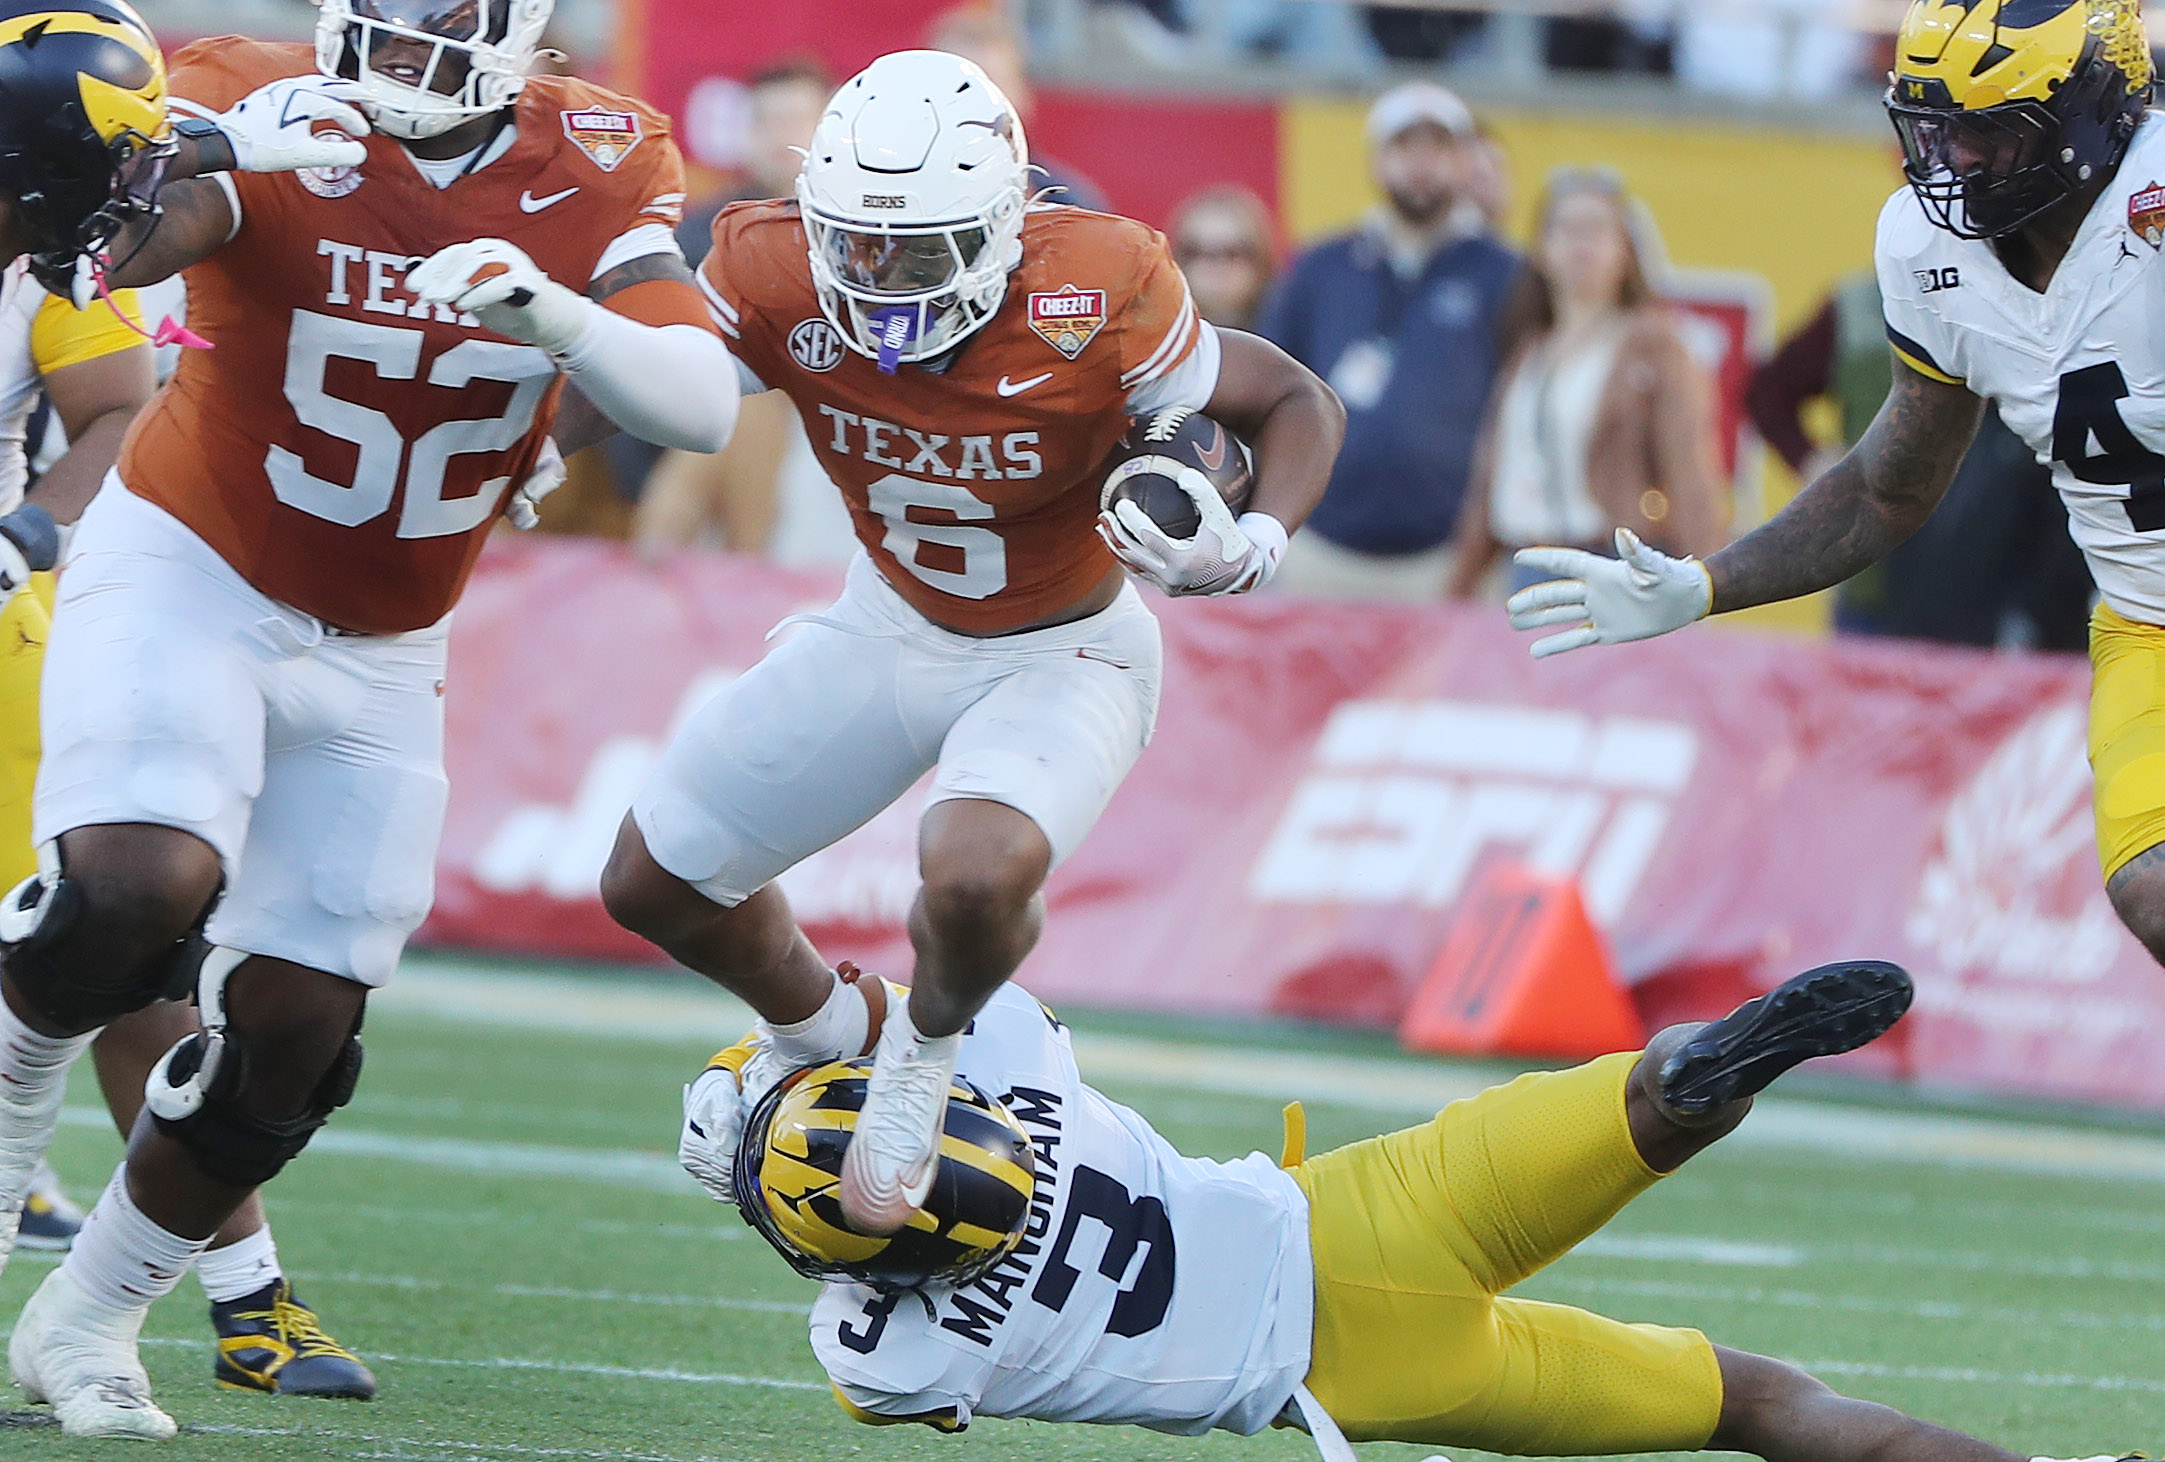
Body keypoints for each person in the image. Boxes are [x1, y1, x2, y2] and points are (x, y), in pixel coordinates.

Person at [0, 0, 739, 1438]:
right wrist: (194, 149)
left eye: (436, 23)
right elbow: (91, 257)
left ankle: (89, 1320)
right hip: (192, 563)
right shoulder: (258, 98)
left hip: (393, 637)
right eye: (379, 18)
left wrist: (554, 327)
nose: (397, 47)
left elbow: (700, 399)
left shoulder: (596, 153)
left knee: (301, 1029)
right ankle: (18, 1090)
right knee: (138, 886)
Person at [600, 50, 1343, 1244]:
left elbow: (1295, 398)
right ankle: (828, 1037)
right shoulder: (766, 257)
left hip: (1064, 646)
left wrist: (1255, 540)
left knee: (974, 870)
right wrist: (529, 428)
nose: (877, 275)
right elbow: (665, 383)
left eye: (918, 247)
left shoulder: (1096, 279)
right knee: (652, 881)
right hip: (886, 619)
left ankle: (921, 1062)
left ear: (1003, 220)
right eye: (854, 241)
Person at [690, 958, 2131, 1462]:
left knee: (1750, 1403)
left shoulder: (887, 1351)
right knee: (1637, 1099)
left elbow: (867, 1316)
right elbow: (911, 1004)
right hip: (1356, 1208)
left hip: (1355, 1375)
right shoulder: (1015, 1067)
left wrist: (795, 1191)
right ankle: (1701, 1075)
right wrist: (812, 1061)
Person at [1506, 1, 2165, 966]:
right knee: (2149, 890)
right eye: (1938, 128)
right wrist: (1708, 583)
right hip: (2145, 621)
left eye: (1991, 130)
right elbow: (1885, 488)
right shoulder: (1924, 251)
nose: (1959, 160)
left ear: (2088, 116)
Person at [0, 254, 373, 1393]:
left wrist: (24, 534)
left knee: (115, 949)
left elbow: (122, 404)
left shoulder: (42, 255)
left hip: (9, 630)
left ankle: (247, 1293)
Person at [1258, 82, 1519, 601]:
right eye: (1405, 146)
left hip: (1447, 563)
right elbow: (1270, 391)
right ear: (1377, 160)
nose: (1421, 163)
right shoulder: (1320, 266)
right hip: (1317, 553)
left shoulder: (1505, 275)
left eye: (1439, 148)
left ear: (1466, 162)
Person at [1747, 271, 2088, 649]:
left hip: (2003, 580)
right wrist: (1815, 463)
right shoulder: (1862, 308)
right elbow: (1769, 393)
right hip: (1878, 577)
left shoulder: (2036, 304)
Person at [1450, 169, 1725, 599]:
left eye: (1597, 228)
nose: (1582, 244)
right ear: (1541, 247)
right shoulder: (1530, 349)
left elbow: (1692, 477)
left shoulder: (1654, 346)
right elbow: (1493, 478)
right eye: (1566, 227)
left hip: (1613, 573)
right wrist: (1459, 584)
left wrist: (1707, 586)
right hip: (1524, 566)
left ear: (1625, 250)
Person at [928, 2, 1108, 213]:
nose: (978, 108)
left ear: (1024, 92)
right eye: (960, 89)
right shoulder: (890, 202)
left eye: (995, 86)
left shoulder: (1069, 205)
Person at [1169, 184, 1275, 331]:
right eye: (1196, 251)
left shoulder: (1298, 340)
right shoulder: (1149, 346)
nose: (1215, 268)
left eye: (1233, 253)